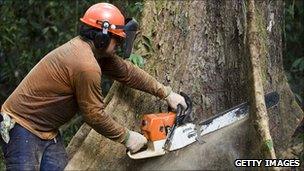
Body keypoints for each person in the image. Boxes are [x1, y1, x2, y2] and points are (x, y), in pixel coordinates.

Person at [0, 2, 186, 170]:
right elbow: (94, 115)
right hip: (21, 126)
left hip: (48, 131)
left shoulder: (95, 54)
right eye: (117, 40)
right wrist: (127, 137)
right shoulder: (85, 64)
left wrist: (167, 94)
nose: (119, 45)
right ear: (102, 37)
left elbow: (128, 72)